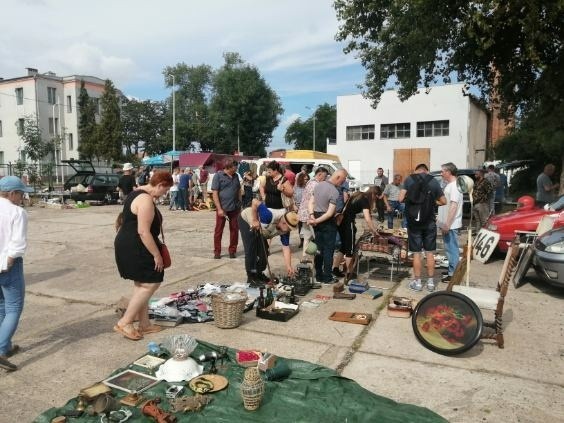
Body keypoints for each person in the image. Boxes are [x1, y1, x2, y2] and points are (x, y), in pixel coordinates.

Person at [114, 171, 173, 341]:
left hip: (129, 243)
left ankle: (145, 324)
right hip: (136, 246)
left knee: (141, 284)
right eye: (165, 190)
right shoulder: (146, 199)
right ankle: (125, 322)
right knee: (151, 283)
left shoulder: (137, 192)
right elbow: (143, 231)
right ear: (160, 185)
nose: (165, 194)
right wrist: (157, 255)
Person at [0, 176, 33, 371]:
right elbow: (18, 244)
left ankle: (7, 344)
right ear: (12, 194)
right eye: (21, 194)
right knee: (14, 307)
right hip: (8, 265)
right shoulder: (17, 212)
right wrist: (8, 263)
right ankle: (2, 348)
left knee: (2, 306)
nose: (22, 197)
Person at [399, 164, 446, 292]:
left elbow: (400, 198)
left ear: (416, 170)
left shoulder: (409, 179)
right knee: (430, 253)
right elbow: (444, 201)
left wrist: (413, 201)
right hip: (429, 222)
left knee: (416, 253)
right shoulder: (433, 181)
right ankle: (431, 283)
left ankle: (418, 282)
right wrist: (430, 202)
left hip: (414, 223)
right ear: (427, 171)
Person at [239, 199, 299, 285]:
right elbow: (255, 201)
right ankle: (251, 277)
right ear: (284, 223)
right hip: (247, 220)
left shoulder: (285, 231)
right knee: (251, 251)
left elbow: (286, 248)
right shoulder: (268, 216)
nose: (289, 231)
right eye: (289, 228)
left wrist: (289, 266)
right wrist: (255, 220)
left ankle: (259, 274)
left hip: (261, 230)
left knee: (264, 252)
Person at [308, 169, 348, 283]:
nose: (343, 183)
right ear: (338, 177)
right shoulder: (334, 192)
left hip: (316, 217)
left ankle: (318, 276)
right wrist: (316, 221)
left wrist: (312, 217)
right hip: (326, 222)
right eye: (343, 180)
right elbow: (330, 213)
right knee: (328, 250)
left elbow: (311, 203)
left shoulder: (318, 185)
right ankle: (327, 278)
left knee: (319, 249)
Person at [336, 189, 379, 279]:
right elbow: (367, 218)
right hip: (348, 224)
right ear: (373, 195)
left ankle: (335, 269)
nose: (376, 199)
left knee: (343, 247)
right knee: (350, 249)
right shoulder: (365, 200)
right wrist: (374, 230)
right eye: (376, 197)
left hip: (342, 222)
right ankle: (349, 273)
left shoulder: (358, 194)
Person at [437, 163, 463, 283]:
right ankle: (451, 269)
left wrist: (447, 224)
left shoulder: (455, 186)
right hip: (447, 223)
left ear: (448, 172)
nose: (441, 173)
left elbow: (453, 206)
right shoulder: (451, 185)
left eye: (442, 171)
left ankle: (453, 274)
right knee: (448, 248)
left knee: (452, 249)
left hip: (451, 224)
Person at [211, 160, 241, 259]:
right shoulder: (218, 176)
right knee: (218, 231)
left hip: (235, 208)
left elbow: (239, 190)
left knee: (234, 230)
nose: (236, 168)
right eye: (235, 166)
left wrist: (240, 204)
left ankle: (232, 251)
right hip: (222, 208)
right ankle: (217, 252)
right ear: (229, 167)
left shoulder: (236, 176)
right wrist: (219, 208)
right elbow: (215, 193)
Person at [298, 167, 329, 260]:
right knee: (317, 237)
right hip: (310, 214)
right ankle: (319, 257)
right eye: (324, 176)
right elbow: (315, 201)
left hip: (304, 214)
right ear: (319, 174)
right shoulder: (316, 185)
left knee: (307, 237)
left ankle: (304, 257)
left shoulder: (310, 182)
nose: (325, 178)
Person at [293, 171, 310, 248]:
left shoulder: (309, 187)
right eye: (305, 179)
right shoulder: (296, 187)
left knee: (307, 226)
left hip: (307, 209)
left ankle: (308, 240)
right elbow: (292, 197)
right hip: (298, 208)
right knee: (300, 226)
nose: (306, 181)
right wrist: (294, 205)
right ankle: (302, 241)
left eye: (307, 179)